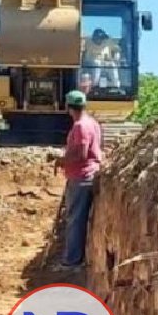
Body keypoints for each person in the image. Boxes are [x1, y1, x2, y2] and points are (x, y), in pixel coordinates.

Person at [52, 89, 103, 268]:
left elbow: (81, 154)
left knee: (75, 219)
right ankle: (74, 257)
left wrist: (61, 160)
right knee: (77, 218)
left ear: (68, 106)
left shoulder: (80, 126)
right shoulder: (92, 123)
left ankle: (71, 261)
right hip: (86, 174)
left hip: (81, 177)